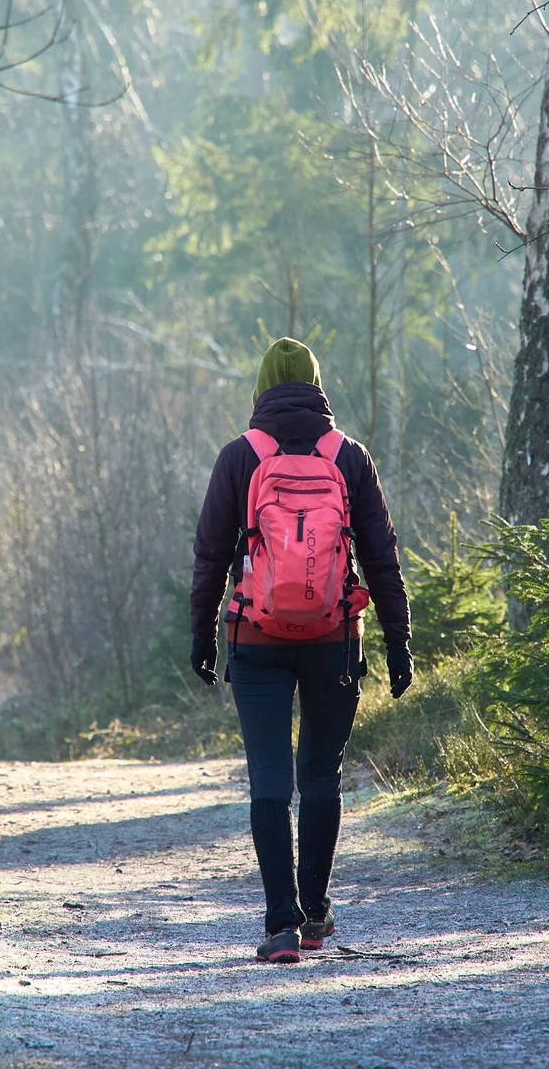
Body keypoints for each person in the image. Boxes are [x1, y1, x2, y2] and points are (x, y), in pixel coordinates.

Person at [189, 337, 413, 964]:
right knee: (320, 776)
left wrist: (202, 635)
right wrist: (399, 645)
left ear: (261, 387)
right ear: (317, 385)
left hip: (255, 640)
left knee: (270, 778)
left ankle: (280, 925)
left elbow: (210, 557)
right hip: (333, 640)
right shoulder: (349, 457)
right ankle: (316, 916)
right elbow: (381, 559)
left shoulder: (240, 457)